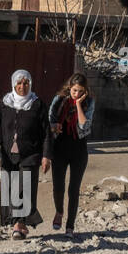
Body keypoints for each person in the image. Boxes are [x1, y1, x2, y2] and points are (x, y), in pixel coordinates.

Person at [0, 69, 50, 239]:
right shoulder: (5, 103)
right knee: (9, 188)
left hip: (30, 153)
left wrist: (46, 156)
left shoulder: (37, 104)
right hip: (8, 154)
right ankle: (17, 222)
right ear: (13, 84)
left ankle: (19, 224)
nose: (22, 87)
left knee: (23, 188)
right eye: (19, 83)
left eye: (26, 83)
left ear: (30, 84)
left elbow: (47, 132)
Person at [47, 73, 95, 238]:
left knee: (73, 189)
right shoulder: (59, 100)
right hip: (59, 148)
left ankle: (70, 226)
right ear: (69, 88)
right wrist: (54, 127)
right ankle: (59, 212)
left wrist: (79, 104)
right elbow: (49, 121)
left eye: (81, 91)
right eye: (75, 91)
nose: (77, 94)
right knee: (58, 187)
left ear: (85, 91)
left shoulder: (89, 103)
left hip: (79, 151)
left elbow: (84, 125)